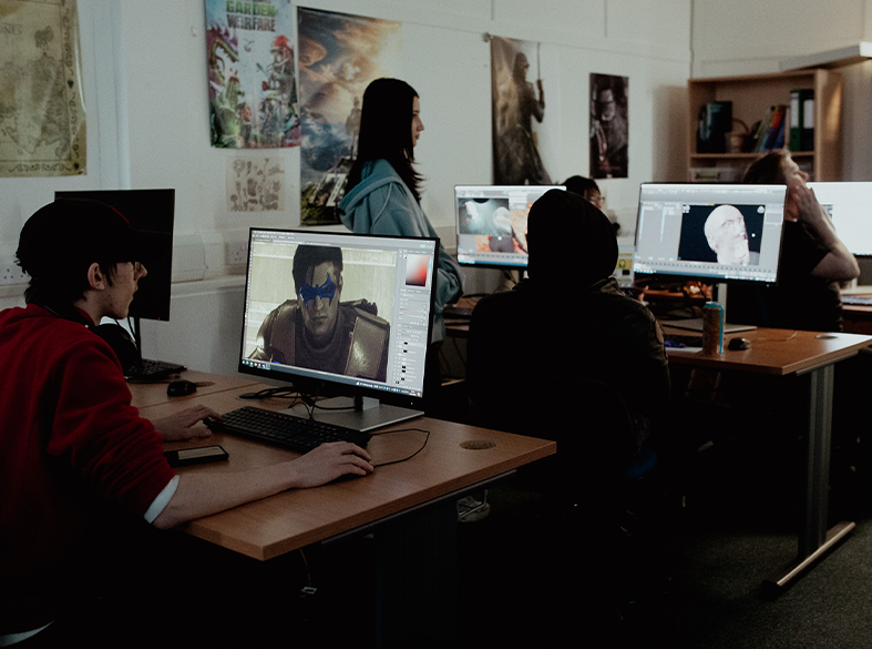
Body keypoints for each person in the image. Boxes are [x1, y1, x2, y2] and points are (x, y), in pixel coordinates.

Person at [0, 199, 374, 646]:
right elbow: (165, 504)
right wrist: (297, 471)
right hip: (49, 612)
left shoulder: (14, 329)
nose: (141, 274)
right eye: (131, 264)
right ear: (97, 276)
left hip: (11, 594)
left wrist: (148, 433)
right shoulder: (79, 353)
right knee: (248, 571)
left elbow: (37, 430)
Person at [467, 189, 670, 504]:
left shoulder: (492, 313)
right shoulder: (632, 319)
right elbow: (660, 402)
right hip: (606, 454)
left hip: (522, 454)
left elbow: (480, 394)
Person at [338, 78, 463, 385]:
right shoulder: (388, 196)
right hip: (412, 343)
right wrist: (453, 280)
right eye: (414, 115)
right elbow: (418, 285)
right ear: (392, 120)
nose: (421, 126)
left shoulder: (374, 178)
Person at [729, 149, 859, 331]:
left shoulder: (771, 232)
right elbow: (849, 269)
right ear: (781, 187)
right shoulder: (790, 238)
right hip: (817, 346)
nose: (805, 175)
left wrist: (817, 217)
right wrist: (819, 220)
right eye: (795, 172)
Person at [249, 244, 390, 381]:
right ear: (297, 293)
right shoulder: (276, 326)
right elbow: (250, 381)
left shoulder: (375, 341)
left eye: (326, 291)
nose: (318, 305)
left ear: (339, 287)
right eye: (308, 293)